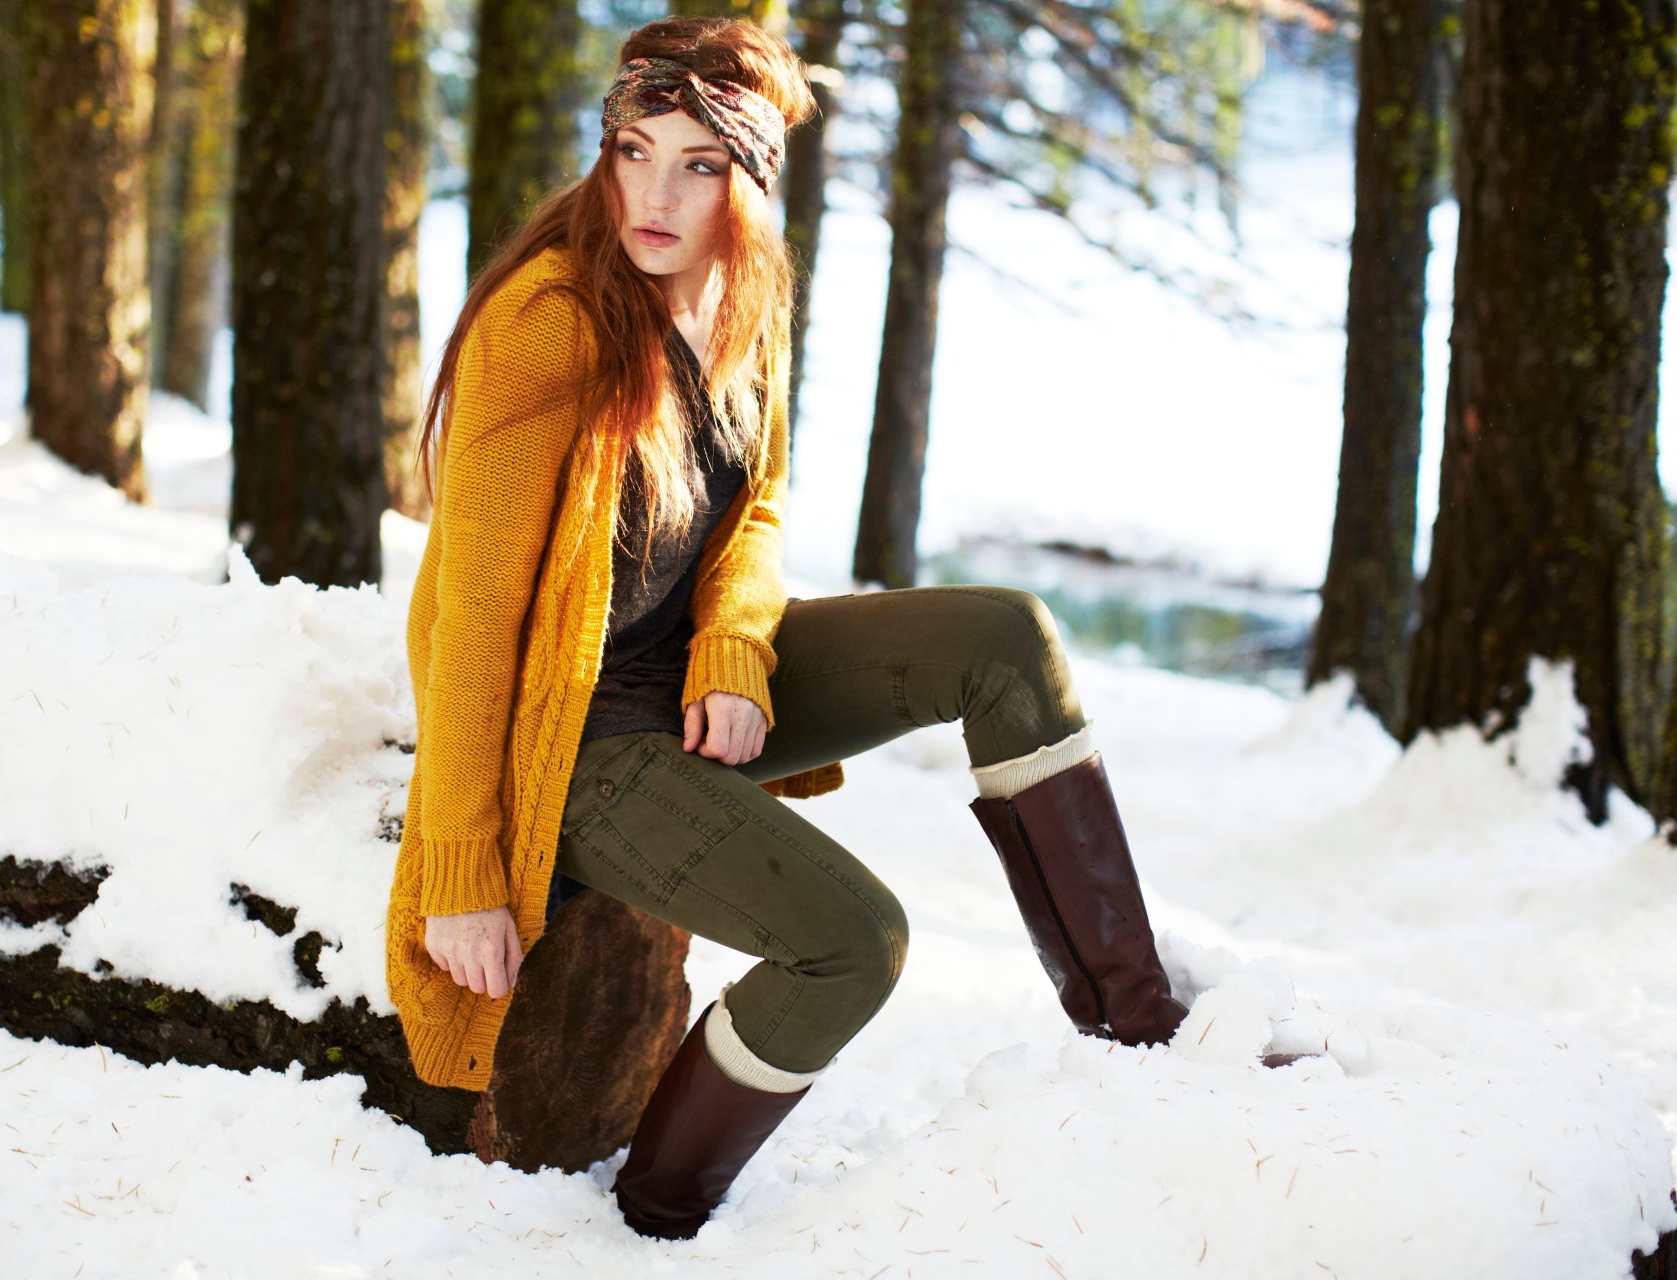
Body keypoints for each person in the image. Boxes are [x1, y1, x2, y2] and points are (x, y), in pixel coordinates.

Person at [385, 14, 1288, 1244]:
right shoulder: (551, 320)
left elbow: (753, 508)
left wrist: (734, 652)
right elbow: (469, 615)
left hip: (674, 681)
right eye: (636, 149)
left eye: (700, 165)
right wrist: (462, 868)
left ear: (750, 183)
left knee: (1008, 636)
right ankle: (653, 1211)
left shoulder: (745, 300)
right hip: (576, 746)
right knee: (854, 941)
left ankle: (1136, 1025)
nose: (654, 193)